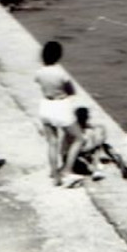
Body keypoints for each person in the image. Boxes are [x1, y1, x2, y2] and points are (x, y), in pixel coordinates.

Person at [35, 41, 83, 186]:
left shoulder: (39, 72)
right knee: (79, 138)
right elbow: (71, 91)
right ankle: (67, 170)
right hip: (60, 106)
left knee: (52, 142)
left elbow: (39, 82)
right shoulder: (61, 73)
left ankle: (55, 174)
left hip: (45, 106)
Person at [69, 106, 127, 181]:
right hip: (79, 156)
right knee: (98, 146)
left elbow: (93, 126)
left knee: (104, 145)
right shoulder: (78, 131)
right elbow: (80, 148)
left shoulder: (78, 126)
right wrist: (97, 142)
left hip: (84, 152)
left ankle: (116, 162)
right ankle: (96, 169)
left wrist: (99, 131)